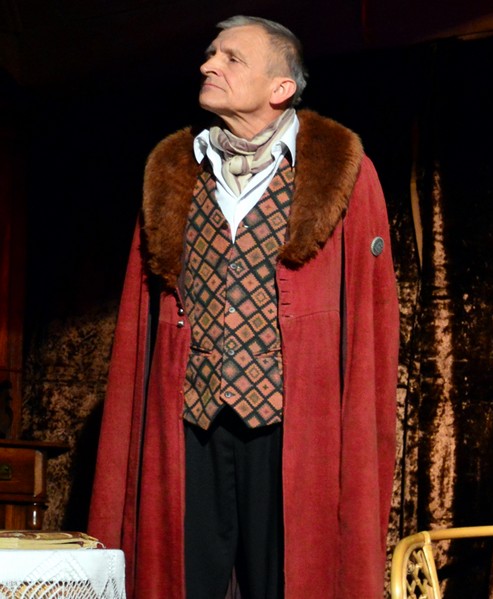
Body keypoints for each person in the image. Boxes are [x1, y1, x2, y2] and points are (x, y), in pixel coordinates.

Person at [88, 15, 400, 599]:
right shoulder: (175, 169)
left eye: (232, 58)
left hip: (291, 425)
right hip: (191, 418)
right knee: (182, 578)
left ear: (281, 87)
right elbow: (142, 314)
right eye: (211, 54)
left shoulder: (341, 170)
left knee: (289, 579)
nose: (209, 65)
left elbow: (371, 317)